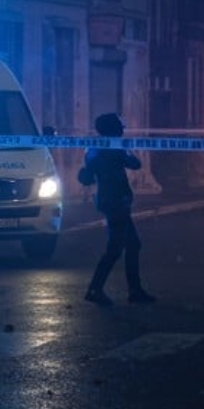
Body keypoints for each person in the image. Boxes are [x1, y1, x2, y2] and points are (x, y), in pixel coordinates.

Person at [77, 113, 155, 304]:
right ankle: (95, 289)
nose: (123, 130)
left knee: (132, 244)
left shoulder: (95, 148)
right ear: (113, 129)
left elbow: (87, 175)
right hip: (116, 201)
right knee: (115, 248)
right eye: (120, 127)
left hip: (110, 199)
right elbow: (135, 164)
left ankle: (134, 290)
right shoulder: (113, 149)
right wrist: (125, 149)